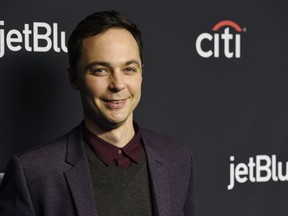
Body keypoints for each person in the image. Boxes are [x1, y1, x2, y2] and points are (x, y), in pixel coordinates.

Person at [0, 10, 195, 216]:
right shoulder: (33, 173)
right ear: (74, 78)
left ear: (141, 74)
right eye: (100, 70)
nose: (118, 84)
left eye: (129, 69)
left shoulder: (178, 159)